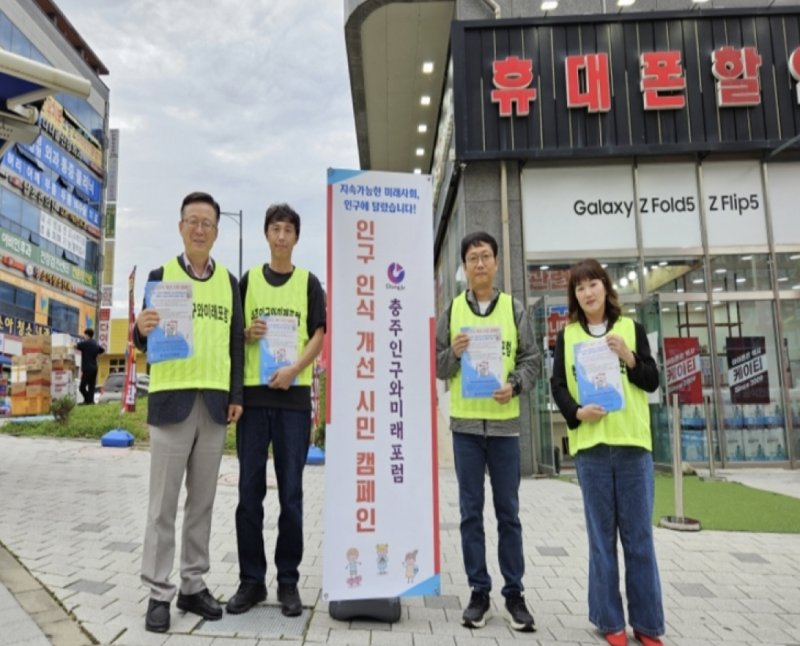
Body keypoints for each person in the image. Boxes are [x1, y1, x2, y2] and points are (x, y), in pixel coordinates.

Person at [135, 191, 244, 633]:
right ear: (181, 227)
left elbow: (236, 342)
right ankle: (158, 592)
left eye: (208, 223)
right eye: (192, 221)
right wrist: (142, 331)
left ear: (217, 232)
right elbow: (146, 339)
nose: (200, 229)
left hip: (215, 404)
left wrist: (236, 394)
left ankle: (193, 585)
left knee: (202, 502)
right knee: (162, 506)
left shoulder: (230, 283)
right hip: (171, 402)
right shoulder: (161, 275)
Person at [549, 258, 664, 646]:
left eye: (593, 283)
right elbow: (558, 386)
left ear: (605, 287)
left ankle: (648, 625)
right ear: (575, 297)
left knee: (639, 539)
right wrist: (577, 413)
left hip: (632, 447)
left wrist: (629, 357)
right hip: (592, 451)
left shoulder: (632, 329)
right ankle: (608, 619)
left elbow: (651, 379)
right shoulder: (566, 337)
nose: (588, 292)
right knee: (602, 539)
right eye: (580, 288)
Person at [435, 231, 541, 632]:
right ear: (464, 267)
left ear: (496, 263)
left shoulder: (514, 310)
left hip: (503, 428)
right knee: (469, 514)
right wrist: (455, 355)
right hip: (465, 428)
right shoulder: (453, 310)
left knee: (508, 513)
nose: (479, 264)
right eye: (472, 258)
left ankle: (514, 594)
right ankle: (479, 591)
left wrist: (513, 384)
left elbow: (532, 360)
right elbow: (438, 364)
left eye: (485, 257)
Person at [227, 203, 325, 617]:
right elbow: (236, 334)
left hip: (293, 400)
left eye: (288, 230)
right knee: (248, 493)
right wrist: (248, 333)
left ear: (296, 238)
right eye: (275, 229)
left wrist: (295, 369)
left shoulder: (308, 283)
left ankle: (288, 581)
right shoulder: (248, 281)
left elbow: (319, 334)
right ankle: (251, 581)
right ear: (267, 235)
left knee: (292, 495)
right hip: (253, 399)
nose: (281, 236)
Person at [76, 328, 104, 404]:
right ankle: (90, 401)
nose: (84, 336)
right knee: (91, 386)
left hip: (87, 368)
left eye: (84, 335)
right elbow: (102, 350)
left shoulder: (85, 343)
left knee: (82, 387)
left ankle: (88, 400)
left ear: (87, 335)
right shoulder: (95, 344)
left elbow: (75, 346)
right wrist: (96, 355)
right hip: (95, 368)